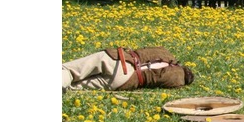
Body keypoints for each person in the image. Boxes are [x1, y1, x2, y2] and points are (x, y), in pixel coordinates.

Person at [62, 47, 194, 92]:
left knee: (69, 71)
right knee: (73, 87)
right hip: (125, 80)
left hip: (118, 59)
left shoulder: (166, 52)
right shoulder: (177, 81)